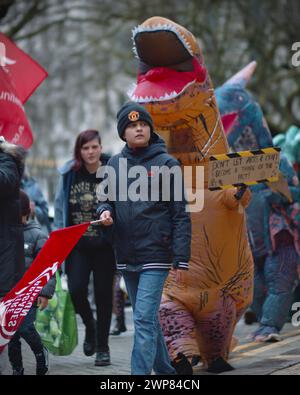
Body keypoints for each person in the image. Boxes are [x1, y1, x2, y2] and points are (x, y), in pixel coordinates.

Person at [98, 103, 191, 375]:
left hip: (157, 254)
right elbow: (105, 200)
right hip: (126, 254)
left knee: (142, 319)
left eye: (143, 124)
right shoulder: (114, 164)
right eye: (131, 125)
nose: (138, 128)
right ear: (122, 133)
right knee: (147, 320)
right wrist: (104, 212)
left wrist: (181, 258)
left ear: (150, 129)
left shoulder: (167, 163)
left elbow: (181, 215)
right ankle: (167, 373)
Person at [54, 130, 115, 367]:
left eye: (94, 147)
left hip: (104, 246)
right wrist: (59, 241)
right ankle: (90, 327)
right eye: (85, 148)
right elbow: (60, 209)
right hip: (77, 245)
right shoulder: (70, 174)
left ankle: (103, 348)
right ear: (79, 150)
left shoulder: (111, 171)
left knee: (103, 297)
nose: (90, 152)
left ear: (100, 147)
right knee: (77, 290)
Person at [8, 190, 55, 375]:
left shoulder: (37, 235)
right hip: (9, 292)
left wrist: (45, 292)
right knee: (10, 334)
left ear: (26, 213)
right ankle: (17, 368)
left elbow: (48, 266)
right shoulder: (6, 234)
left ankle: (40, 352)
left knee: (26, 328)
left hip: (30, 293)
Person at [0, 137, 26, 375]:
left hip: (5, 255)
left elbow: (6, 182)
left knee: (7, 316)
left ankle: (15, 365)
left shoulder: (7, 160)